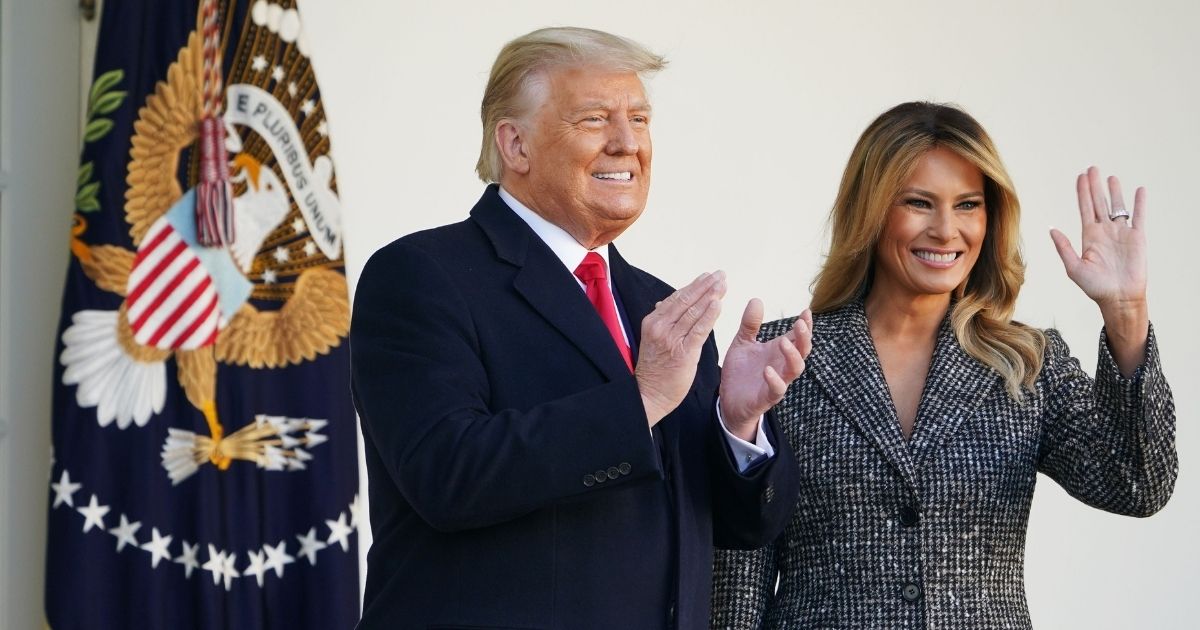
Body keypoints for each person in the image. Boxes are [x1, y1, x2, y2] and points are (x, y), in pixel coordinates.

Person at [350, 27, 809, 630]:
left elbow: (738, 527)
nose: (627, 144)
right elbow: (448, 476)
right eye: (594, 120)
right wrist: (640, 400)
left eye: (639, 120)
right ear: (515, 145)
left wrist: (736, 423)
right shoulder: (421, 276)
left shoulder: (661, 306)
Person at [710, 102, 1177, 629]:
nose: (946, 229)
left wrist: (1126, 313)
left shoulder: (1027, 362)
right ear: (872, 210)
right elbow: (738, 567)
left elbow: (1137, 485)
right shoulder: (785, 356)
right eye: (919, 203)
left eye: (968, 205)